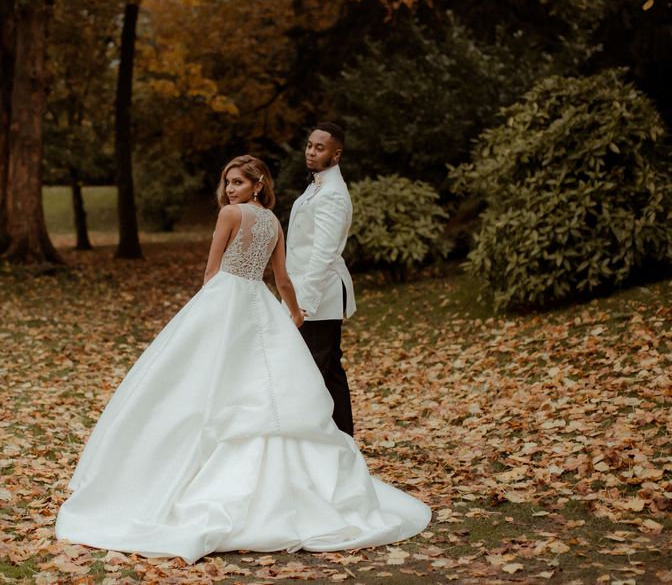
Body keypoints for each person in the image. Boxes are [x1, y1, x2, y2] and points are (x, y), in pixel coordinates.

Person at [55, 155, 430, 564]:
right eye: (228, 182)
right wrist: (295, 313)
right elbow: (281, 279)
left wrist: (208, 316)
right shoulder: (273, 221)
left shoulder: (230, 215)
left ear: (257, 184)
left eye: (238, 182)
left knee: (205, 381)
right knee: (266, 384)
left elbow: (211, 271)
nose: (231, 189)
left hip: (227, 301)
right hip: (259, 302)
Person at [286, 123, 355, 436]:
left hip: (320, 295)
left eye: (319, 148)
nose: (311, 152)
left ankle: (326, 440)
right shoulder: (317, 186)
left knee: (315, 371)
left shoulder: (332, 195)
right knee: (329, 371)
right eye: (310, 146)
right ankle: (344, 438)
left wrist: (304, 304)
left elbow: (323, 254)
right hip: (309, 291)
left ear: (336, 154)